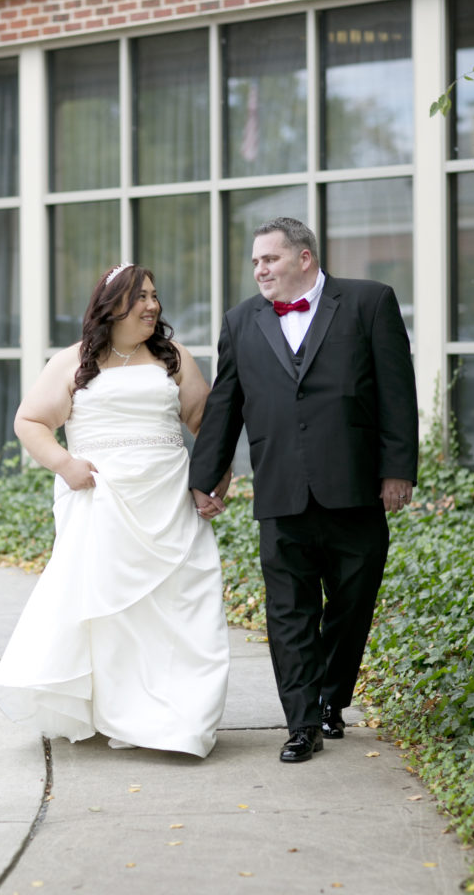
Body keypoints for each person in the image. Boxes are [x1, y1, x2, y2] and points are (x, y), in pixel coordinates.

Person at [189, 217, 418, 763]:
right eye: (254, 262)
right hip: (281, 490)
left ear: (304, 258)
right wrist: (205, 479)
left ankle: (330, 698)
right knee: (287, 611)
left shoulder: (369, 303)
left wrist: (397, 470)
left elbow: (396, 391)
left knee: (352, 602)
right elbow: (225, 406)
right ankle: (300, 723)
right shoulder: (241, 321)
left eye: (268, 259)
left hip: (355, 487)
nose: (259, 270)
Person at [0, 263, 230, 758]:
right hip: (103, 502)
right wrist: (65, 465)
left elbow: (209, 427)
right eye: (140, 297)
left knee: (181, 606)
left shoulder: (174, 359)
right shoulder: (73, 362)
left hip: (167, 501)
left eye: (155, 296)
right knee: (115, 614)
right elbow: (30, 420)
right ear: (111, 305)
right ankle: (123, 712)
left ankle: (182, 719)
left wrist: (212, 482)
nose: (152, 306)